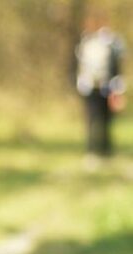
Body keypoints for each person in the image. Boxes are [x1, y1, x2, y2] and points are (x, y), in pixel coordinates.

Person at [75, 13, 125, 158]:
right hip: (89, 87)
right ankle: (91, 150)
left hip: (107, 87)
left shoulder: (112, 43)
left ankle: (105, 151)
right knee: (91, 120)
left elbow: (116, 67)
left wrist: (117, 89)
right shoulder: (84, 42)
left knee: (106, 121)